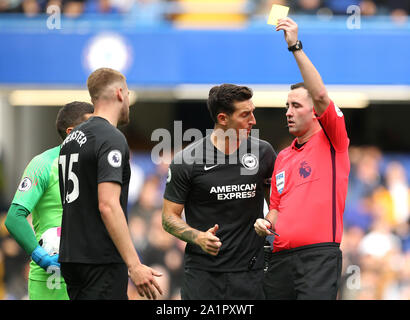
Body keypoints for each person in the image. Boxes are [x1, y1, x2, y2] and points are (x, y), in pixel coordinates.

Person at [254, 17, 350, 300]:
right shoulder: (282, 156)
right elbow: (276, 209)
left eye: (296, 105)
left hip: (318, 258)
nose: (288, 112)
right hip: (280, 259)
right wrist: (266, 222)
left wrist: (294, 46)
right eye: (287, 106)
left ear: (315, 111)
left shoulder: (333, 140)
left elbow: (320, 93)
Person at [162, 84, 276, 299]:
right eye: (245, 115)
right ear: (223, 119)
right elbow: (168, 217)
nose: (253, 120)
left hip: (252, 274)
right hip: (203, 275)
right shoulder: (187, 160)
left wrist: (269, 222)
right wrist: (198, 237)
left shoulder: (263, 153)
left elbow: (278, 205)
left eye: (253, 112)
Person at [58, 67, 163, 300]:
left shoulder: (70, 140)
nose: (128, 100)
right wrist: (134, 264)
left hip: (71, 256)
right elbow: (107, 205)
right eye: (128, 94)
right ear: (119, 93)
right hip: (100, 259)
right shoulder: (111, 138)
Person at [5, 101, 94, 300]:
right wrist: (41, 257)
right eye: (92, 126)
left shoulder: (98, 166)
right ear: (72, 133)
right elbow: (14, 218)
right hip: (52, 278)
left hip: (91, 276)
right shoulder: (43, 164)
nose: (99, 132)